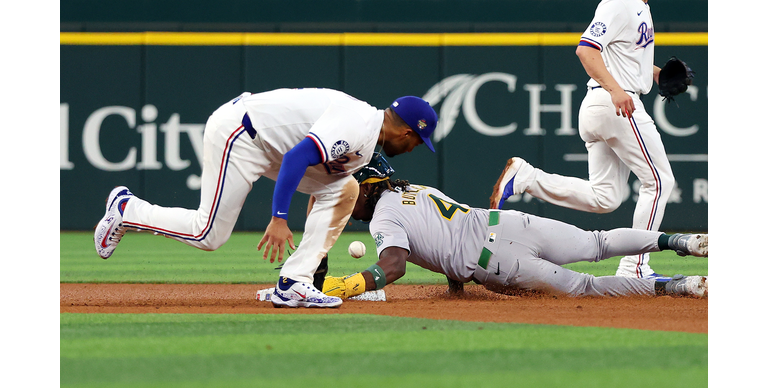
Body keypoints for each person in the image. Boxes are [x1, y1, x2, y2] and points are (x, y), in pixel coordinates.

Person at [93, 88, 438, 308]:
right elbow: (295, 159)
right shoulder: (359, 126)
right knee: (208, 235)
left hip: (271, 145)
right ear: (408, 132)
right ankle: (126, 209)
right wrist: (279, 217)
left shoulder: (366, 143)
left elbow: (323, 191)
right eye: (417, 142)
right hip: (241, 134)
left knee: (343, 188)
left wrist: (316, 263)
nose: (413, 148)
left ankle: (294, 282)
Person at [322, 154, 707, 300]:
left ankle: (679, 285)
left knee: (587, 287)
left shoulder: (384, 215)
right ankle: (682, 240)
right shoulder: (416, 190)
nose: (345, 196)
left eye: (350, 188)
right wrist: (454, 282)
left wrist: (347, 285)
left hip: (497, 261)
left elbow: (393, 267)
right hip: (510, 224)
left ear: (368, 186)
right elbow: (442, 232)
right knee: (598, 242)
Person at [490, 0, 684, 279]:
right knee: (659, 181)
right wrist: (616, 89)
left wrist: (656, 74)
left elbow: (623, 54)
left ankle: (527, 178)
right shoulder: (619, 3)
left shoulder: (639, 5)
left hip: (603, 103)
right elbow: (586, 49)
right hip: (615, 103)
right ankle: (635, 268)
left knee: (605, 197)